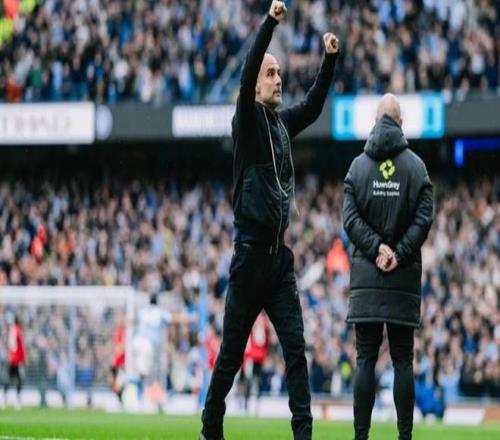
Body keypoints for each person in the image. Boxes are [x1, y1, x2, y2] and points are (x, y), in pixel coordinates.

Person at [200, 2, 339, 439]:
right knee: (231, 355)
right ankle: (210, 428)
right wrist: (270, 24)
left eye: (279, 74)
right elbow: (244, 78)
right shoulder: (247, 121)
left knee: (296, 351)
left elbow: (312, 107)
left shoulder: (280, 124)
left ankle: (304, 434)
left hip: (278, 262)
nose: (278, 80)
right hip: (249, 259)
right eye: (271, 74)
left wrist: (330, 60)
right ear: (257, 83)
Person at [342, 93, 434, 440]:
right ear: (401, 123)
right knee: (402, 360)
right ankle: (404, 436)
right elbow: (424, 219)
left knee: (365, 359)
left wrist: (374, 247)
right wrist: (398, 252)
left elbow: (350, 219)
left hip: (367, 278)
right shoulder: (417, 168)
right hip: (402, 277)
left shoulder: (357, 168)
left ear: (375, 122)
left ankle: (361, 436)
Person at [3, 315, 27, 409]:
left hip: (12, 359)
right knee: (19, 380)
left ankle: (5, 398)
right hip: (16, 360)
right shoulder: (17, 331)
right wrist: (23, 359)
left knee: (11, 379)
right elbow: (19, 347)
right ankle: (16, 400)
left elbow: (12, 346)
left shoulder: (12, 330)